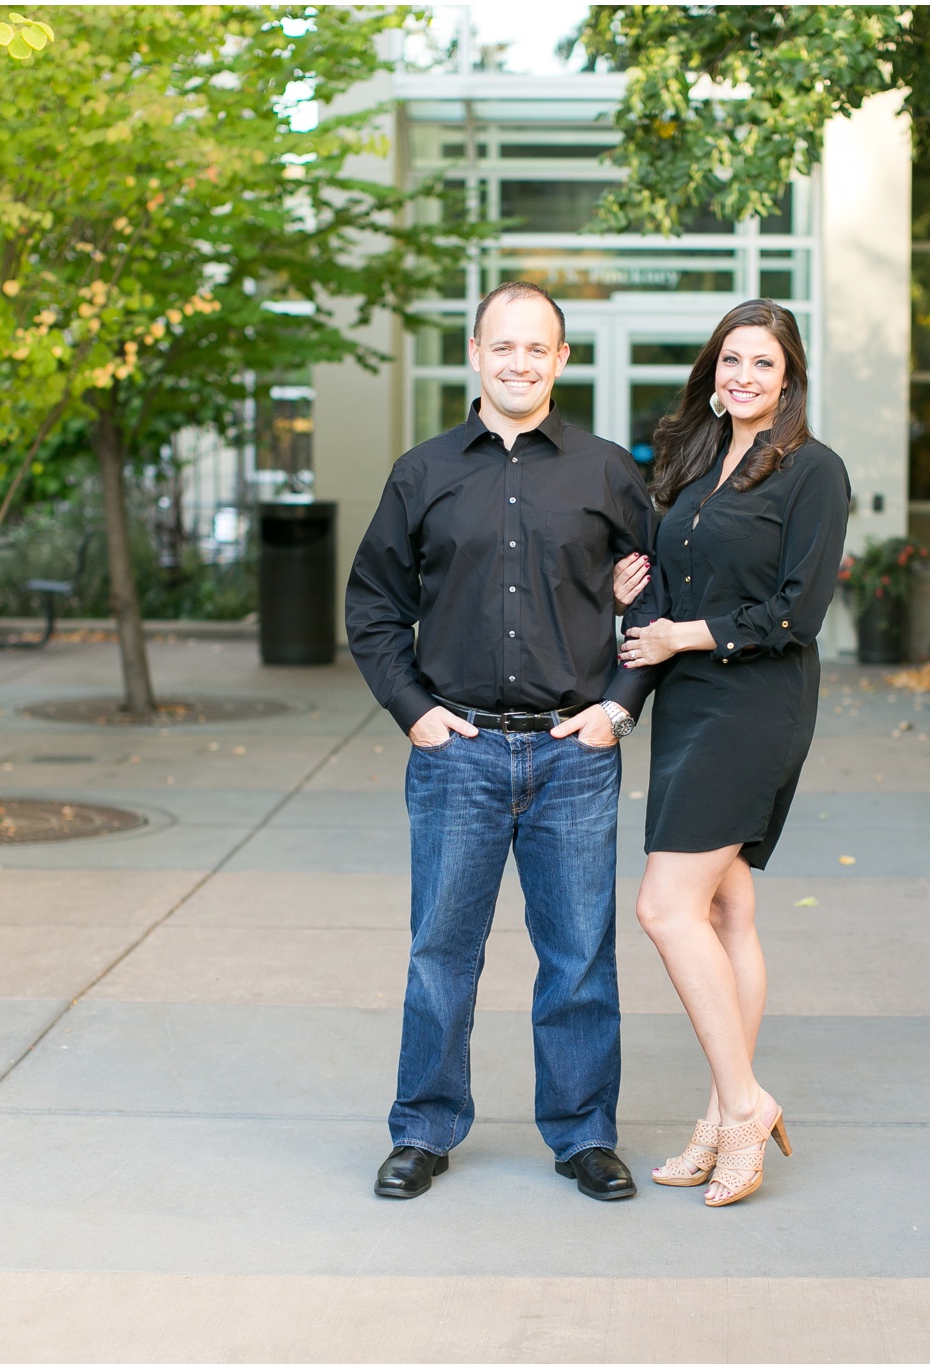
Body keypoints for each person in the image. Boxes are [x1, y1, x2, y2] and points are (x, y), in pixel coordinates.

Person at [346, 280, 658, 1202]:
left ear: (562, 360)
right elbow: (372, 606)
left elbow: (661, 599)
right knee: (442, 952)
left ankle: (583, 1134)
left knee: (578, 955)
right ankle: (423, 1129)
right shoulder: (423, 472)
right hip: (459, 752)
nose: (520, 362)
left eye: (538, 348)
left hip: (574, 752)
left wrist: (619, 705)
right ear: (475, 353)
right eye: (503, 346)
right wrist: (413, 710)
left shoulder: (606, 472)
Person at [615, 298, 851, 1207]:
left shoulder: (813, 472)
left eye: (763, 364)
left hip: (756, 700)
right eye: (731, 361)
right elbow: (668, 575)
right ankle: (721, 1115)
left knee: (665, 907)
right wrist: (630, 585)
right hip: (690, 701)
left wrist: (682, 634)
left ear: (788, 378)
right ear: (713, 372)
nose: (744, 377)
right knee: (727, 912)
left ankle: (745, 1104)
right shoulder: (691, 460)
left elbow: (798, 612)